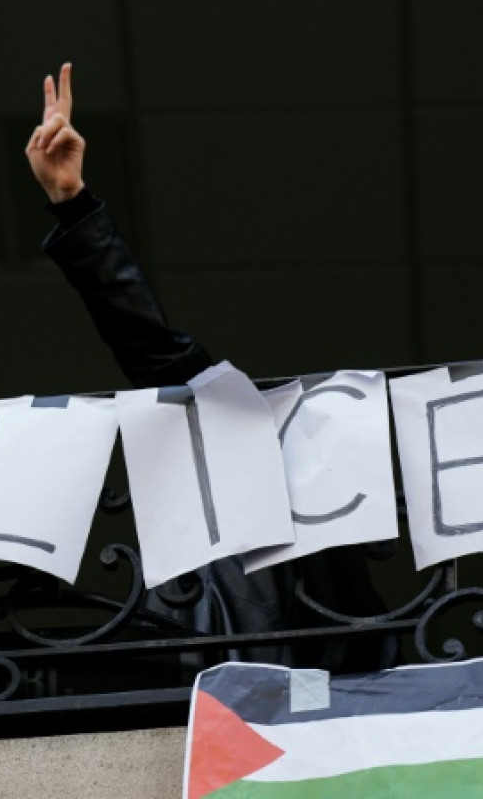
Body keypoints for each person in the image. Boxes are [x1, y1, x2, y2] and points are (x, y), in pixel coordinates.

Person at [24, 63, 396, 672]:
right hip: (199, 706)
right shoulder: (220, 489)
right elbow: (151, 348)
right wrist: (72, 203)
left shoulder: (340, 567)